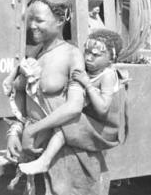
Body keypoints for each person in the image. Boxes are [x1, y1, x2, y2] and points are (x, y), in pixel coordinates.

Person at [6, 0, 113, 195]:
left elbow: (74, 107)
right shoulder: (34, 55)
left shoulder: (72, 54)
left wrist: (37, 128)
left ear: (60, 20)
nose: (33, 26)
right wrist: (15, 133)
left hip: (67, 153)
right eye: (30, 20)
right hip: (37, 149)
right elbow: (24, 103)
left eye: (39, 20)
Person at [19, 29, 126, 174]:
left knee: (67, 123)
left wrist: (87, 85)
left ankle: (44, 162)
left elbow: (102, 109)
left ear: (111, 59)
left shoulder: (108, 75)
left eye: (96, 55)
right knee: (61, 118)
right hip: (92, 121)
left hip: (104, 128)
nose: (88, 58)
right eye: (87, 52)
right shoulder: (87, 70)